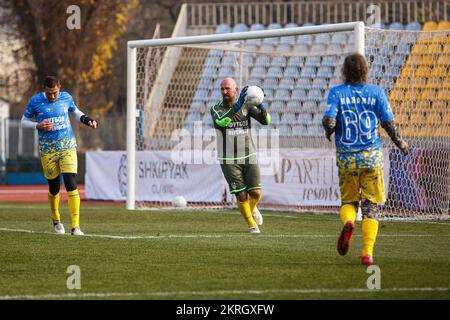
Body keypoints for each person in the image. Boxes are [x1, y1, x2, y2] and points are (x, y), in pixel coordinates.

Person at [322, 53, 409, 265]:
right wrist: (400, 143)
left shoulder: (337, 93)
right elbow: (389, 123)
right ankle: (368, 252)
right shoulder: (377, 92)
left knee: (349, 201)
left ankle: (349, 222)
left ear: (345, 71)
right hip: (371, 158)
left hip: (347, 158)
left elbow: (329, 120)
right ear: (365, 70)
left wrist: (328, 132)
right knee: (371, 207)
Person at [21, 76, 98, 236]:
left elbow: (75, 113)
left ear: (59, 88)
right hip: (48, 150)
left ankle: (76, 227)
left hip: (67, 146)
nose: (53, 97)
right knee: (54, 187)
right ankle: (56, 220)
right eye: (49, 93)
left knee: (71, 183)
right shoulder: (35, 101)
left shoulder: (66, 97)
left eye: (55, 93)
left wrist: (87, 119)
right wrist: (38, 125)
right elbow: (23, 122)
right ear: (44, 90)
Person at [210, 78, 270, 234]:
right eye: (222, 89)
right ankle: (251, 223)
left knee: (256, 193)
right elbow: (222, 122)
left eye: (227, 89)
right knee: (241, 195)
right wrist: (236, 108)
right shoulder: (216, 108)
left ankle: (252, 209)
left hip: (249, 154)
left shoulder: (246, 106)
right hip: (228, 159)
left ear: (236, 90)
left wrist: (261, 105)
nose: (224, 92)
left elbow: (266, 121)